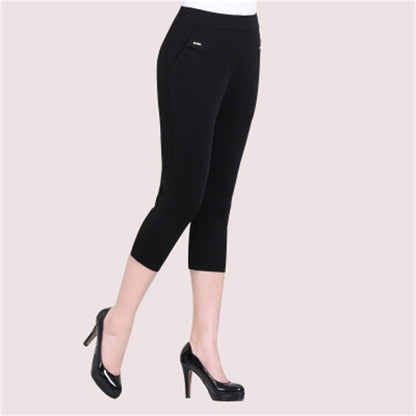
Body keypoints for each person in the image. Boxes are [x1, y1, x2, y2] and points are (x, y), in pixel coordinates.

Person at [83, 0, 261, 401]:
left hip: (247, 42)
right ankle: (116, 322)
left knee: (216, 204)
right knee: (181, 198)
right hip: (197, 42)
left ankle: (203, 344)